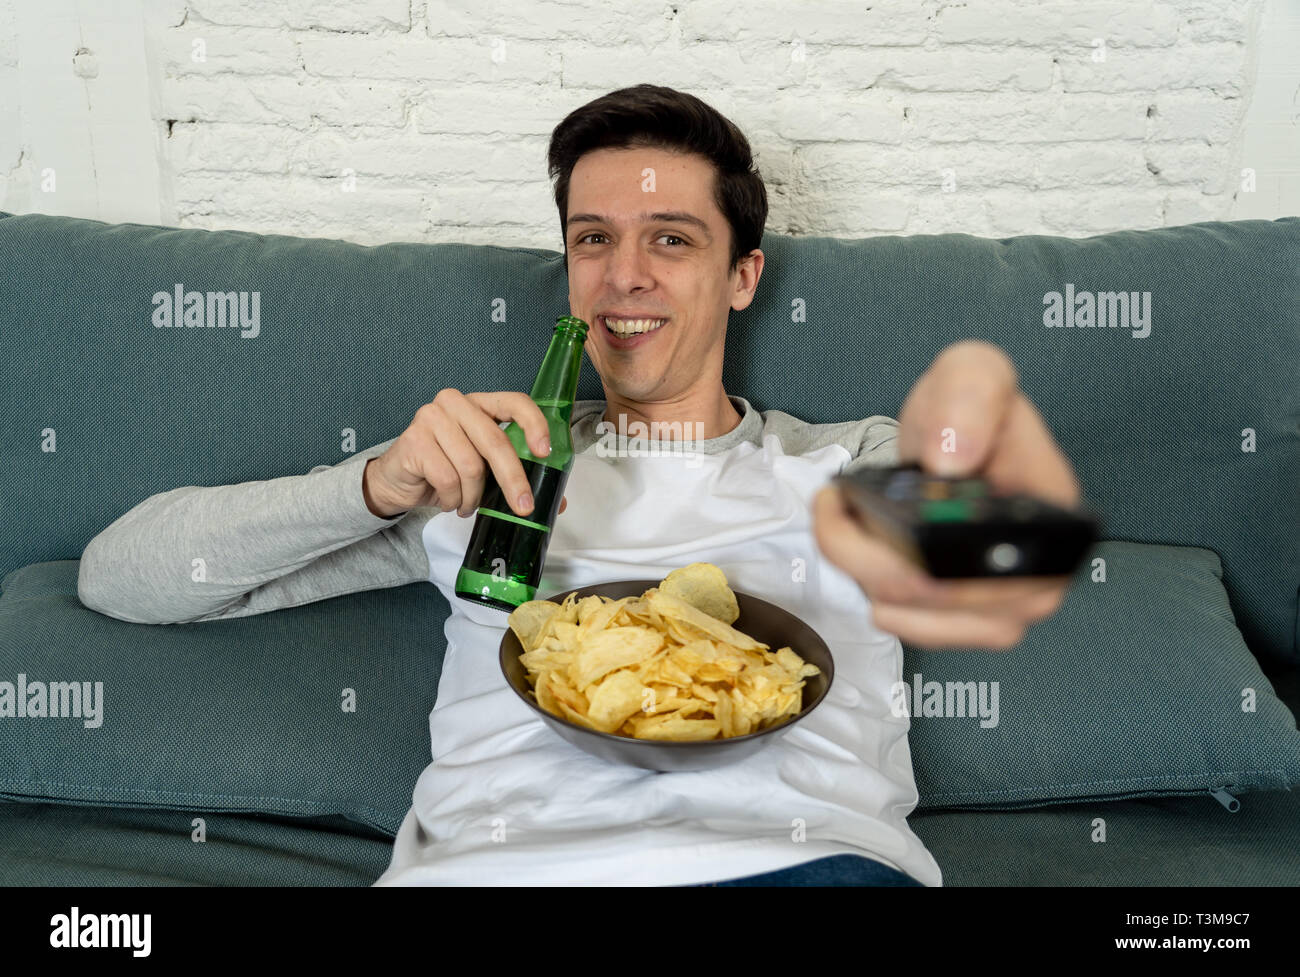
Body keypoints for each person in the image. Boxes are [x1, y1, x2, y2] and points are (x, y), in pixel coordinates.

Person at [79, 84, 1080, 887]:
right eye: (592, 237)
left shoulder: (850, 463)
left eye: (672, 238)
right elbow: (119, 577)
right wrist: (378, 483)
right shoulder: (475, 471)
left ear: (743, 275)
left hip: (792, 863)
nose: (622, 275)